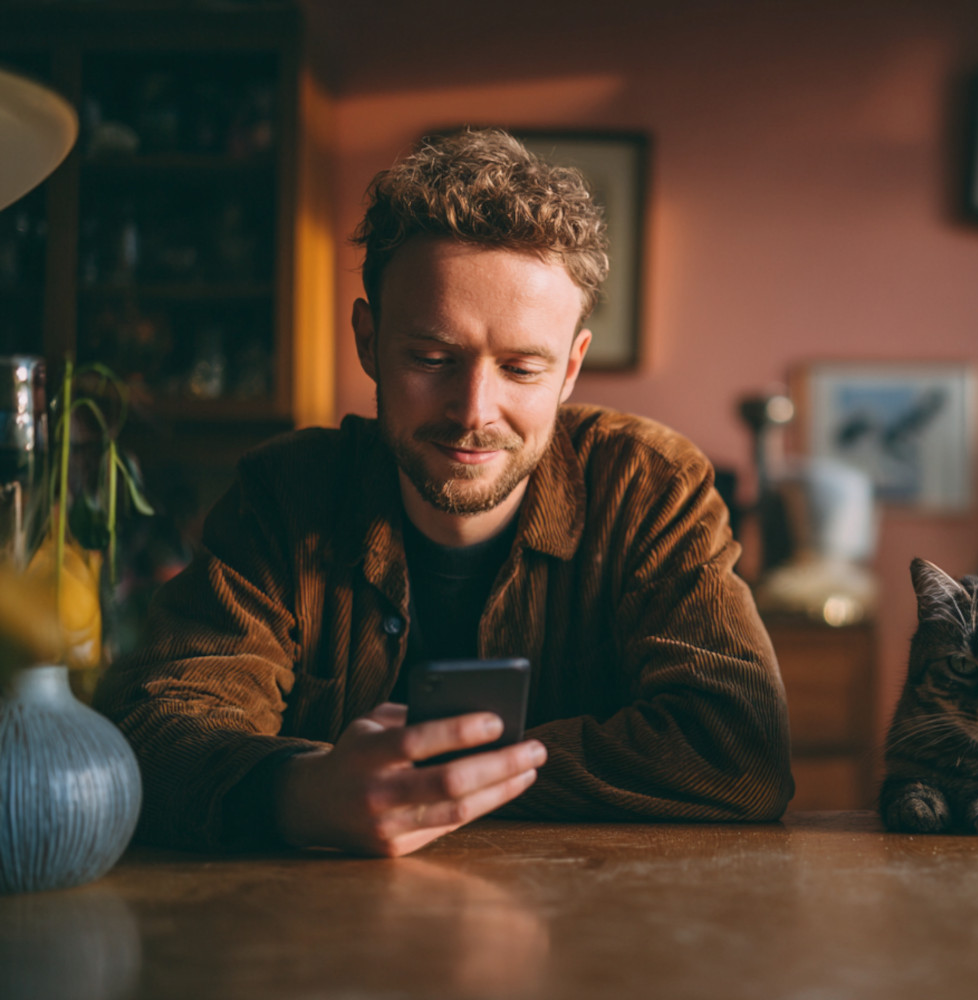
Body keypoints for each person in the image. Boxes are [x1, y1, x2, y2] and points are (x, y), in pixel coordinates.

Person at [95, 129, 794, 856]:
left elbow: (738, 751)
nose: (472, 410)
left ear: (572, 369)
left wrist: (436, 783)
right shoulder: (285, 492)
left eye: (522, 368)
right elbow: (154, 729)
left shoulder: (649, 487)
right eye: (432, 357)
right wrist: (306, 790)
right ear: (368, 340)